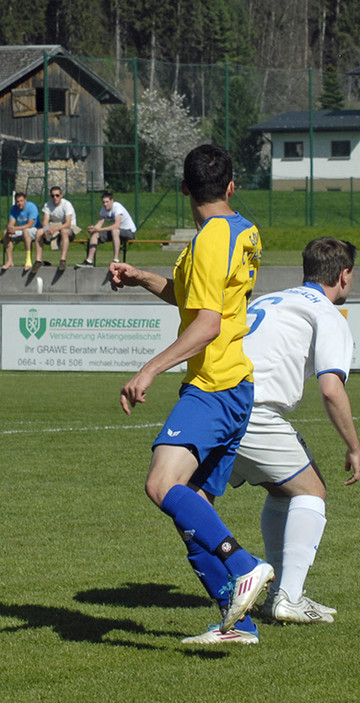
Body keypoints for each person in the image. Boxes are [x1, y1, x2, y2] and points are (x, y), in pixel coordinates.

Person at [108, 144, 271, 645]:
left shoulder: (207, 241)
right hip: (235, 384)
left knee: (161, 485)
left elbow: (205, 323)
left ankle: (243, 566)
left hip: (213, 385)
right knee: (192, 511)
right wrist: (141, 278)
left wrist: (150, 368)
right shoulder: (241, 231)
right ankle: (235, 622)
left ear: (183, 189)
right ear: (230, 186)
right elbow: (195, 296)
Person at [231, 237, 360, 625]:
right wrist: (354, 447)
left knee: (281, 489)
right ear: (344, 275)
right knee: (312, 491)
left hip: (220, 404)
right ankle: (288, 597)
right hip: (256, 411)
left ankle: (277, 592)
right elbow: (330, 388)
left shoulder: (268, 299)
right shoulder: (326, 313)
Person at [78, 190, 136, 267]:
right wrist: (94, 229)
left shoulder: (117, 207)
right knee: (95, 234)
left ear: (112, 201)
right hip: (116, 232)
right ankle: (89, 261)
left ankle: (116, 260)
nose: (105, 204)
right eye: (103, 202)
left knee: (115, 230)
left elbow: (116, 225)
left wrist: (99, 229)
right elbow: (99, 223)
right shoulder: (104, 209)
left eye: (107, 202)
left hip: (128, 232)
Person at [34, 186, 81, 271]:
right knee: (38, 232)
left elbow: (68, 223)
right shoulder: (47, 205)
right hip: (54, 226)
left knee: (64, 231)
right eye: (52, 196)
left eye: (57, 195)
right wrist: (46, 230)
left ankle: (62, 261)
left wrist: (55, 229)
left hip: (68, 228)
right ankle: (38, 261)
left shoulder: (67, 205)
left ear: (61, 195)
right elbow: (45, 221)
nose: (55, 197)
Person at [0, 191, 39, 270]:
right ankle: (10, 261)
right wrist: (10, 228)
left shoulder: (32, 207)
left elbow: (30, 224)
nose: (20, 203)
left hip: (34, 230)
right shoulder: (14, 208)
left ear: (25, 200)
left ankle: (28, 260)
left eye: (21, 201)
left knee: (26, 232)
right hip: (21, 229)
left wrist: (15, 228)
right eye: (18, 201)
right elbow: (11, 222)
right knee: (5, 233)